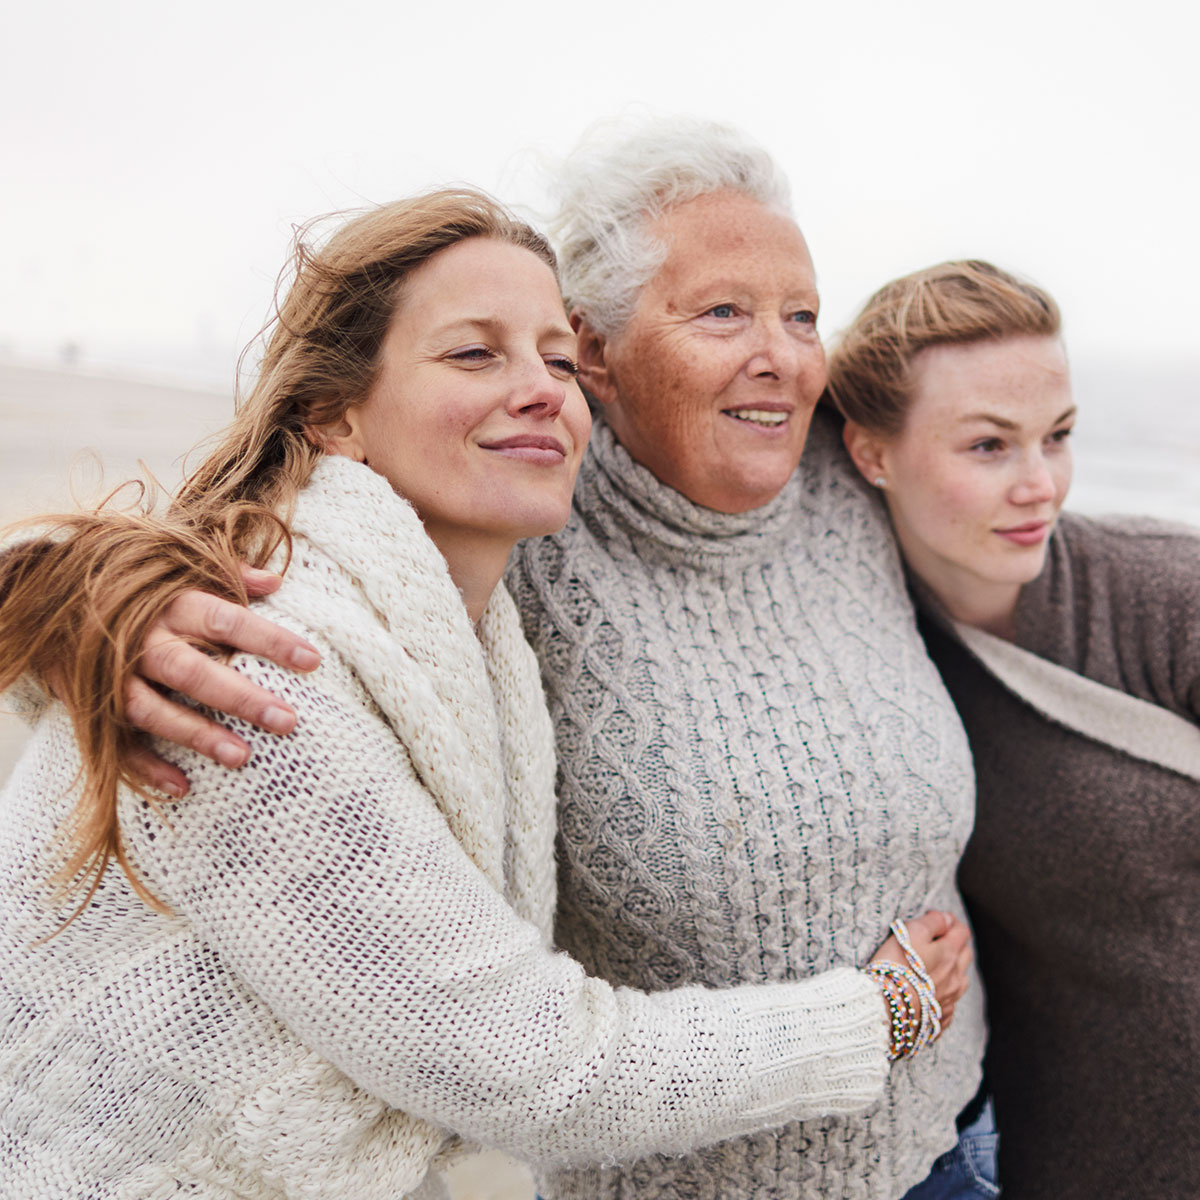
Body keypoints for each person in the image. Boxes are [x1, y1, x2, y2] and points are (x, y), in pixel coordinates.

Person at [2, 122, 990, 1200]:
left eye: (551, 359)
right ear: (334, 412)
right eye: (475, 352)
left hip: (939, 1151)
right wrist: (73, 598)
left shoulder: (475, 591)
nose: (539, 389)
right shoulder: (255, 669)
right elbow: (527, 1061)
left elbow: (1007, 497)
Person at [829, 258, 1200, 1198]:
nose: (1042, 485)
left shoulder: (1168, 593)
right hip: (1065, 1168)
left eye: (1059, 437)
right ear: (873, 453)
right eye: (990, 446)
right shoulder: (857, 656)